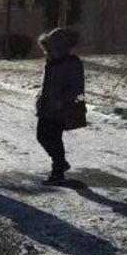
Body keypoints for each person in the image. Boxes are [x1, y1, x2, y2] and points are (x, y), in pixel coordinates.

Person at [36, 28, 84, 184]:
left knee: (54, 138)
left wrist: (61, 101)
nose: (49, 48)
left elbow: (77, 88)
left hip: (60, 109)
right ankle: (61, 163)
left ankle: (58, 170)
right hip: (46, 108)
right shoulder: (51, 61)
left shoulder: (72, 63)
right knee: (42, 136)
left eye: (52, 44)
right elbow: (46, 84)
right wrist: (39, 98)